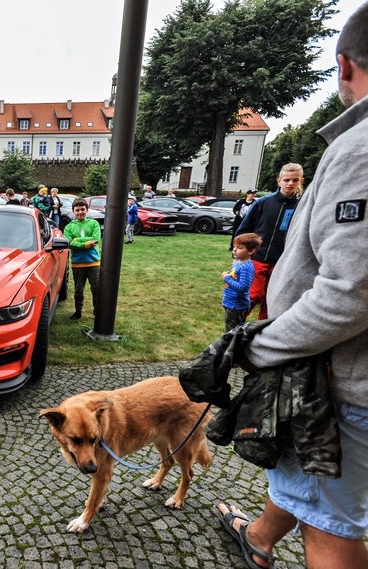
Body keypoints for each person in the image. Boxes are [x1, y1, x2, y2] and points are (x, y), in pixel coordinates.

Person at [217, 5, 368, 568]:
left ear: (344, 64)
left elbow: (350, 292)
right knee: (311, 489)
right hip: (340, 373)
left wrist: (256, 348)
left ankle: (260, 540)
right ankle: (258, 538)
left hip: (344, 381)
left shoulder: (361, 148)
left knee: (330, 525)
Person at [235, 163, 302, 320]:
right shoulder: (263, 203)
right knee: (252, 295)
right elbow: (244, 229)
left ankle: (262, 332)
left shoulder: (302, 206)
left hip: (282, 262)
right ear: (279, 181)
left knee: (271, 300)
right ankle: (234, 327)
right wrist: (241, 254)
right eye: (286, 180)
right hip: (258, 258)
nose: (290, 183)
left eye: (295, 180)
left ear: (301, 181)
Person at [64, 198, 101, 320]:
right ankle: (78, 311)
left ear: (87, 210)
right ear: (73, 211)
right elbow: (69, 243)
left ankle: (98, 312)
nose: (80, 212)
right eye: (77, 210)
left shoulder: (93, 223)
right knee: (78, 290)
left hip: (93, 263)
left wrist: (77, 240)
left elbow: (96, 240)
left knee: (96, 289)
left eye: (82, 209)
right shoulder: (69, 227)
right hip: (78, 263)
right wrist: (85, 243)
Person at [221, 232, 261, 332]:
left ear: (251, 251)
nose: (234, 249)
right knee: (233, 328)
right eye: (234, 246)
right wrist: (230, 274)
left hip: (236, 305)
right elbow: (235, 276)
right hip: (231, 302)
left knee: (233, 331)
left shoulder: (246, 267)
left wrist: (227, 278)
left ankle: (232, 346)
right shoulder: (239, 262)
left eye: (239, 247)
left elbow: (243, 287)